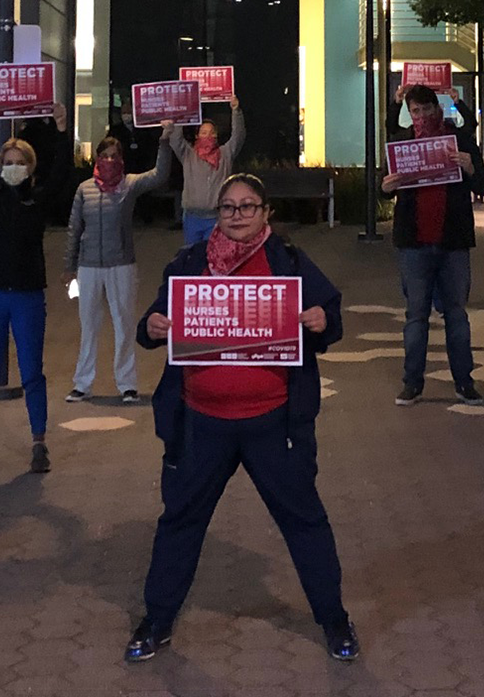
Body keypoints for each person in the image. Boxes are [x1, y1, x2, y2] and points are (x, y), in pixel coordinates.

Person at [124, 173, 359, 664]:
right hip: (201, 423)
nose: (237, 215)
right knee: (181, 521)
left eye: (247, 206)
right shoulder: (189, 264)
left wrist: (320, 322)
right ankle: (157, 621)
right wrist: (153, 325)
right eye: (228, 207)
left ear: (265, 212)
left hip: (273, 423)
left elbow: (329, 317)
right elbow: (152, 325)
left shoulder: (288, 262)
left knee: (304, 520)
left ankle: (335, 620)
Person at [0, 102, 72, 475]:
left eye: (19, 162)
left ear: (29, 167)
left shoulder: (37, 201)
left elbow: (60, 175)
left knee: (31, 372)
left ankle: (39, 443)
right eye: (8, 161)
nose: (13, 167)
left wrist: (60, 130)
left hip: (27, 296)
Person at [382, 84, 484, 407]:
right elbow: (382, 186)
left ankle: (464, 383)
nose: (421, 116)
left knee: (456, 315)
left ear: (437, 108)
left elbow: (483, 184)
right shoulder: (402, 144)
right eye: (415, 111)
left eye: (426, 109)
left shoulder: (459, 141)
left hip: (453, 243)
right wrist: (386, 186)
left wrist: (470, 167)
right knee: (416, 317)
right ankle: (412, 384)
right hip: (414, 244)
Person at [65, 123, 176, 404]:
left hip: (121, 265)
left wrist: (165, 140)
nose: (110, 160)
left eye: (115, 155)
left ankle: (127, 385)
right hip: (88, 266)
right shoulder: (84, 189)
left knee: (124, 324)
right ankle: (82, 384)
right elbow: (74, 229)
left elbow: (160, 175)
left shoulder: (129, 184)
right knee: (88, 326)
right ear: (98, 157)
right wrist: (69, 267)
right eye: (106, 154)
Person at [168, 101, 246, 244]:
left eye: (211, 133)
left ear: (216, 135)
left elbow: (238, 137)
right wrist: (179, 114)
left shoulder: (225, 153)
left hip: (217, 217)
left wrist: (236, 111)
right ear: (197, 136)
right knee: (193, 259)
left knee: (215, 259)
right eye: (204, 133)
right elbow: (175, 139)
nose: (208, 136)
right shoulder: (188, 154)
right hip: (192, 217)